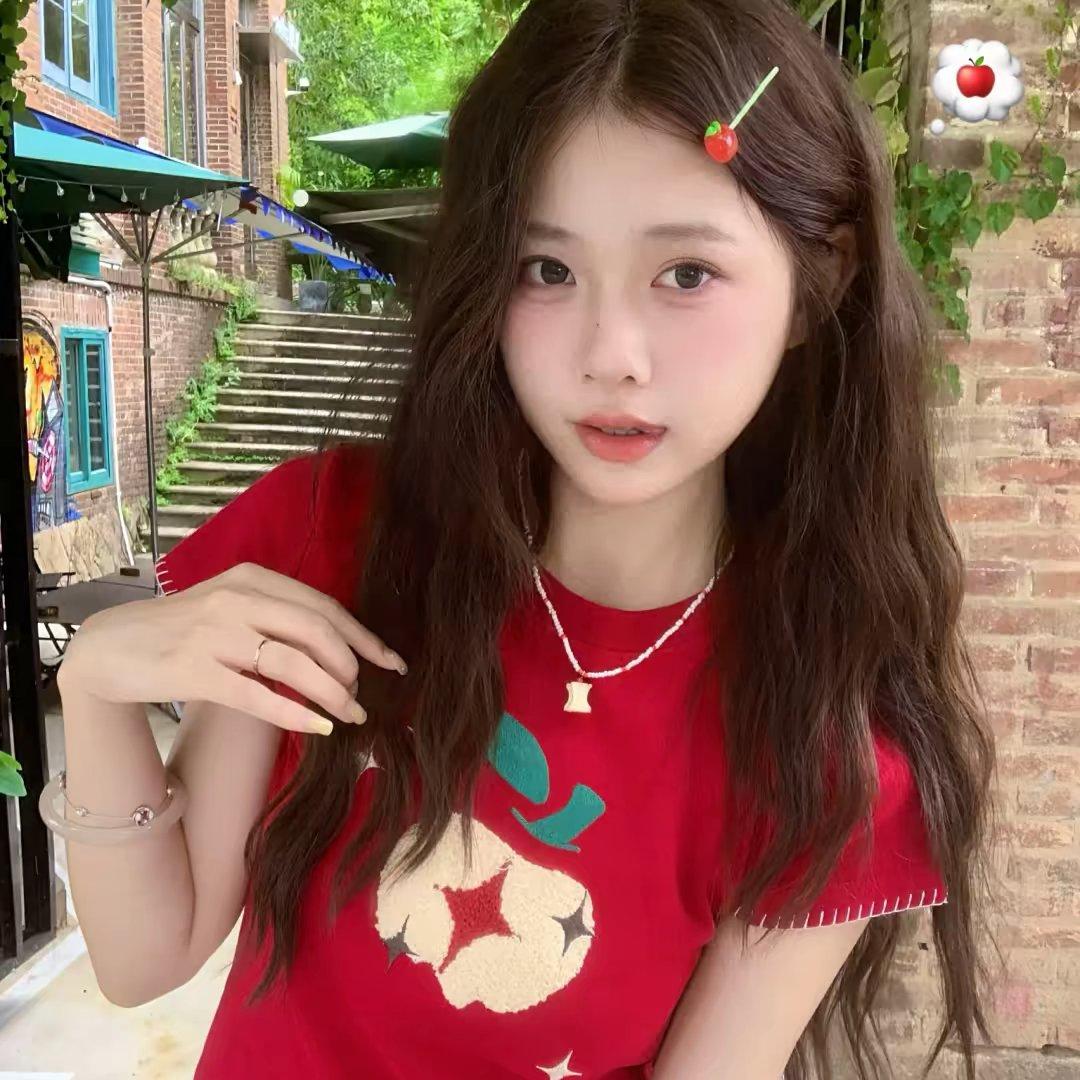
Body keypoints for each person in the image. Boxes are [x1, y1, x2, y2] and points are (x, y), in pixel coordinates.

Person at [40, 0, 998, 1076]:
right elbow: (145, 955)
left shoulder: (826, 750)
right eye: (547, 269)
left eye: (686, 273)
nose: (612, 354)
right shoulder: (336, 542)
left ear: (820, 281)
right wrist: (98, 685)